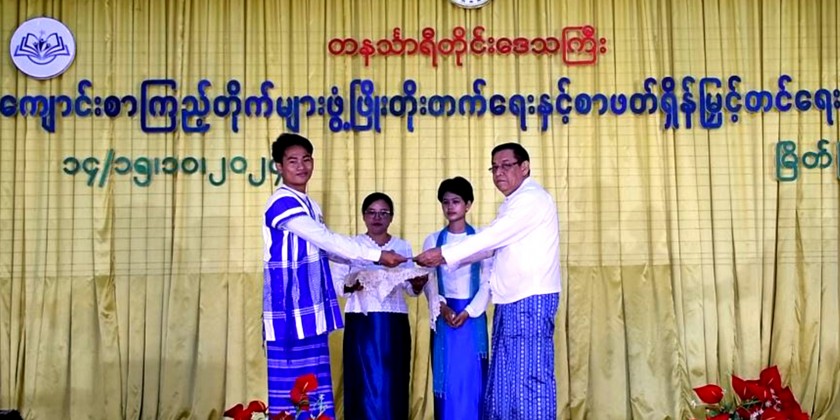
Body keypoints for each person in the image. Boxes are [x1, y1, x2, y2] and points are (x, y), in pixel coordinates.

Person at [414, 143, 562, 420]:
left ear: (525, 167)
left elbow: (490, 239)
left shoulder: (532, 199)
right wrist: (442, 257)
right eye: (494, 167)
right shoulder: (512, 204)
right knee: (506, 381)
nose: (498, 173)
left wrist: (444, 254)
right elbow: (489, 249)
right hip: (510, 301)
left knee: (529, 378)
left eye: (506, 165)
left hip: (529, 300)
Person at [262, 133, 406, 417]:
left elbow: (327, 250)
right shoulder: (281, 202)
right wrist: (377, 255)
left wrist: (374, 258)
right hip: (289, 307)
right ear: (279, 166)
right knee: (291, 381)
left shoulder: (310, 205)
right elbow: (325, 240)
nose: (301, 166)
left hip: (311, 304)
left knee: (315, 380)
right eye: (292, 161)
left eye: (306, 159)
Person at [330, 192, 429, 420]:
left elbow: (410, 289)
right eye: (372, 212)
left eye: (383, 213)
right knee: (361, 380)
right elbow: (338, 285)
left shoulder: (402, 246)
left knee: (394, 379)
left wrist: (417, 284)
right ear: (363, 216)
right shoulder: (352, 246)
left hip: (394, 322)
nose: (377, 218)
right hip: (361, 322)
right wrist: (353, 285)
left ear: (391, 217)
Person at [422, 177, 492, 420]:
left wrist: (469, 311)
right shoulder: (433, 241)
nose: (450, 207)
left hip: (472, 316)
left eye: (456, 201)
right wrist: (442, 307)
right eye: (446, 202)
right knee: (447, 379)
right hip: (444, 316)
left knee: (472, 379)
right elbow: (429, 281)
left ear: (468, 205)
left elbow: (488, 281)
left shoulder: (480, 238)